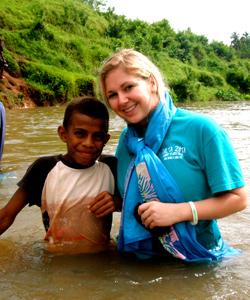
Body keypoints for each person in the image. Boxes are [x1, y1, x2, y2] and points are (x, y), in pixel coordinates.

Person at [98, 48, 247, 262]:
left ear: (151, 83)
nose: (121, 100)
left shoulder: (201, 130)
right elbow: (141, 199)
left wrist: (180, 212)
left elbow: (238, 199)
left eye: (128, 87)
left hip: (198, 262)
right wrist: (115, 202)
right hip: (138, 263)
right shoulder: (126, 142)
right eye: (112, 95)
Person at [0, 97, 117, 254]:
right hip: (56, 261)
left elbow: (138, 206)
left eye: (97, 136)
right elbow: (7, 215)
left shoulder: (110, 167)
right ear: (63, 134)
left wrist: (117, 202)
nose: (88, 143)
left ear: (106, 140)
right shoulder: (44, 168)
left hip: (103, 259)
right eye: (80, 134)